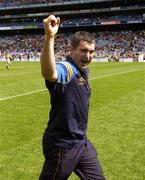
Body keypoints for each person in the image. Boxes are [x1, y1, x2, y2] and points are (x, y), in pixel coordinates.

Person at [39, 15, 106, 180]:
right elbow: (50, 73)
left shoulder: (84, 70)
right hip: (62, 145)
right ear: (72, 50)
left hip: (81, 143)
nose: (88, 56)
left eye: (91, 51)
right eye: (83, 50)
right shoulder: (67, 68)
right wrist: (50, 37)